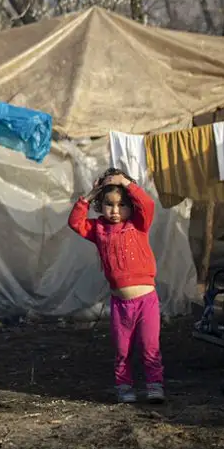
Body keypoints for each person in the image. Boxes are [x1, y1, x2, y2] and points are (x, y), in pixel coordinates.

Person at [69, 168, 164, 404]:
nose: (114, 211)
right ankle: (124, 386)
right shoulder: (98, 229)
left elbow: (148, 204)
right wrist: (92, 193)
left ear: (130, 206)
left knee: (150, 347)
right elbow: (74, 222)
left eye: (121, 205)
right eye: (109, 204)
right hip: (121, 304)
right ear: (101, 205)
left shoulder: (139, 224)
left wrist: (125, 182)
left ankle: (154, 385)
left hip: (147, 301)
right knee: (122, 350)